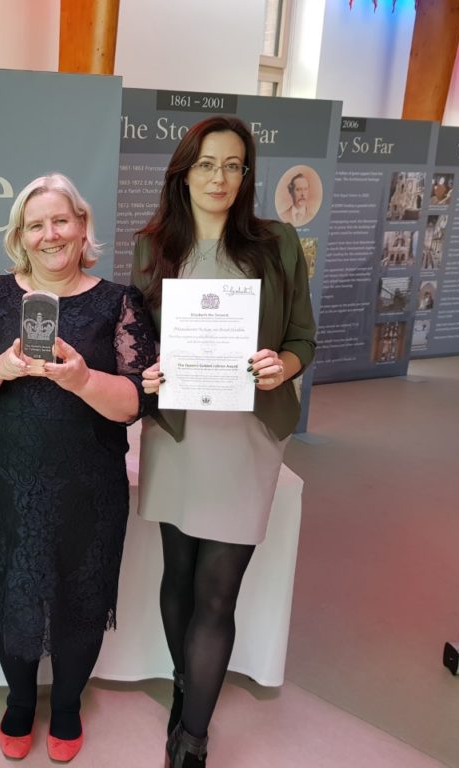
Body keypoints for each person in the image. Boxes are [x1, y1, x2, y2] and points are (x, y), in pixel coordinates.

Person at [0, 173, 157, 764]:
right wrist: (3, 368)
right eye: (35, 224)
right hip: (3, 483)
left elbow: (137, 400)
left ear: (82, 226)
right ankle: (18, 700)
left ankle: (65, 706)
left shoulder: (118, 301)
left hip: (88, 485)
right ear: (20, 235)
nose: (50, 234)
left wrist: (82, 379)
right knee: (11, 592)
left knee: (80, 598)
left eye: (60, 220)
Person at [131, 116, 316, 768]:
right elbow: (137, 343)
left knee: (217, 591)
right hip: (179, 434)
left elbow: (303, 340)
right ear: (184, 171)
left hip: (246, 438)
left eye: (234, 165)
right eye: (208, 164)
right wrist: (144, 372)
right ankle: (187, 687)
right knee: (177, 577)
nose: (221, 178)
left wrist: (284, 366)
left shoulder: (278, 244)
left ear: (247, 174)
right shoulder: (153, 248)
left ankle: (193, 739)